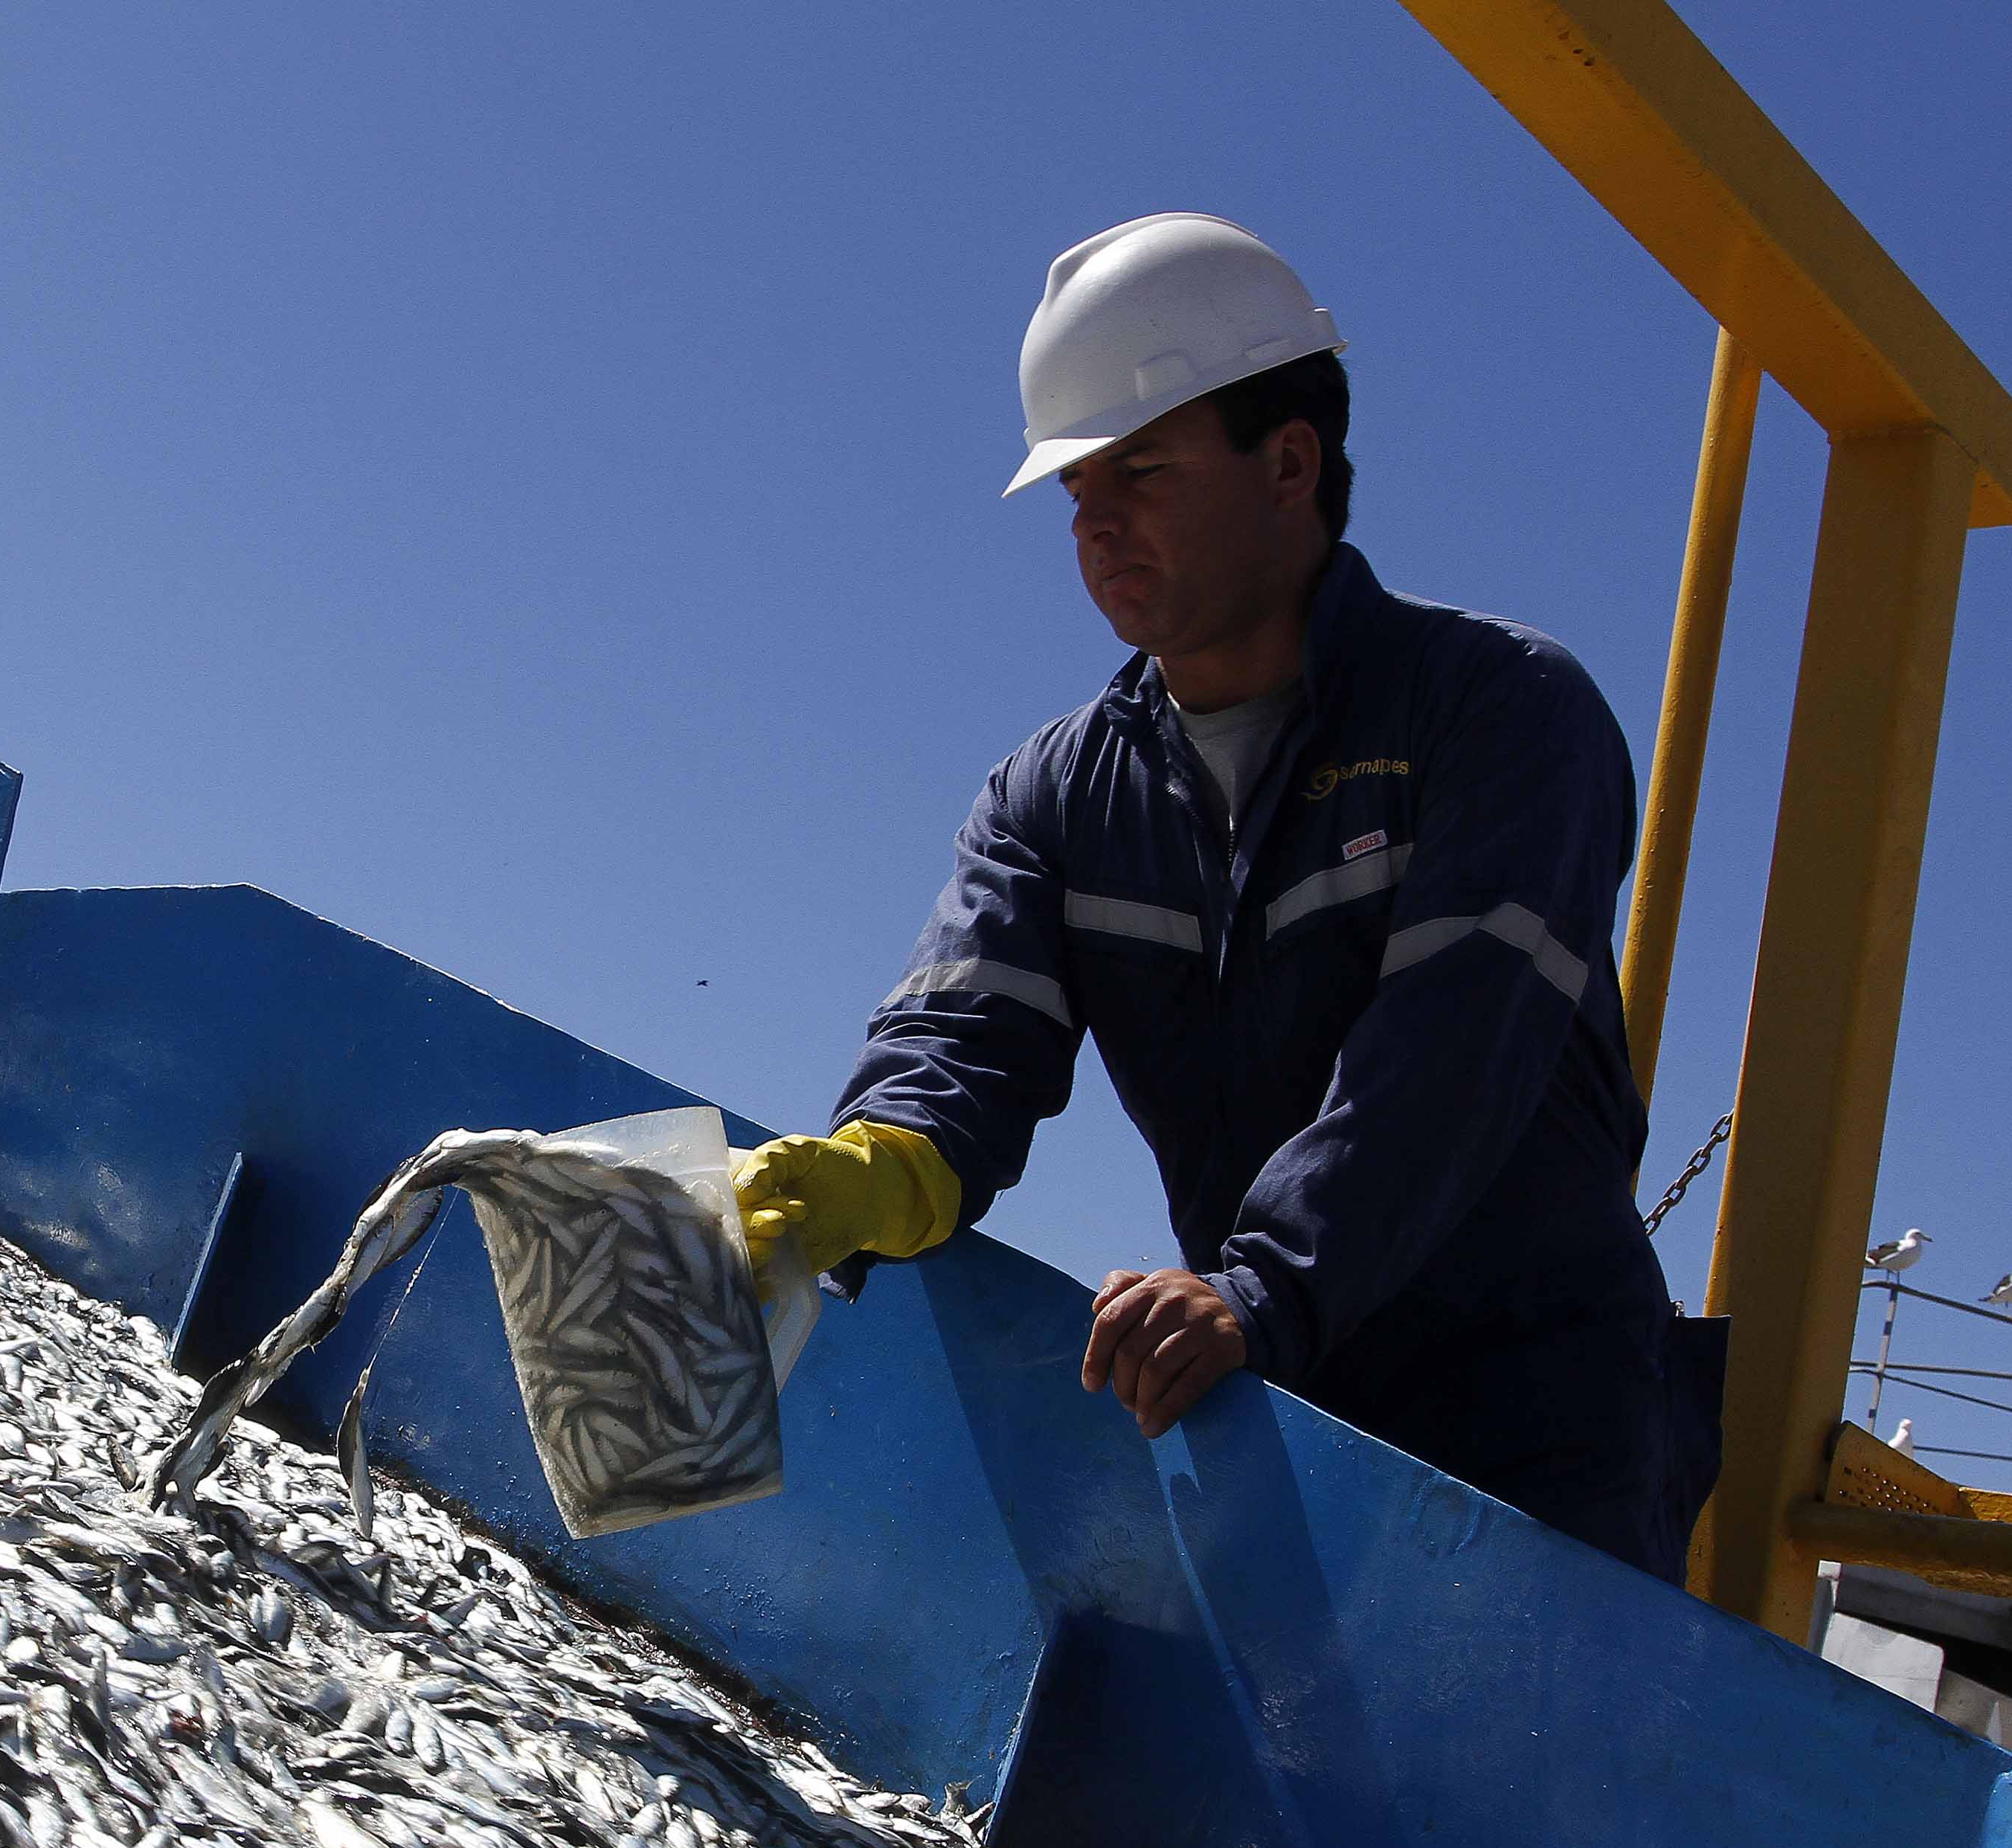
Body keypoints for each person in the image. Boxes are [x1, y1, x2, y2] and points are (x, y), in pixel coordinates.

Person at [733, 213, 1720, 1579]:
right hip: (1285, 1409)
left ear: (1290, 464)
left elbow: (1449, 1052)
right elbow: (967, 1044)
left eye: (1137, 468)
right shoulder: (1057, 798)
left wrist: (1261, 1288)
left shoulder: (1501, 713)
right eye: (1076, 488)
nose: (1094, 520)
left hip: (1543, 1447)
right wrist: (878, 1162)